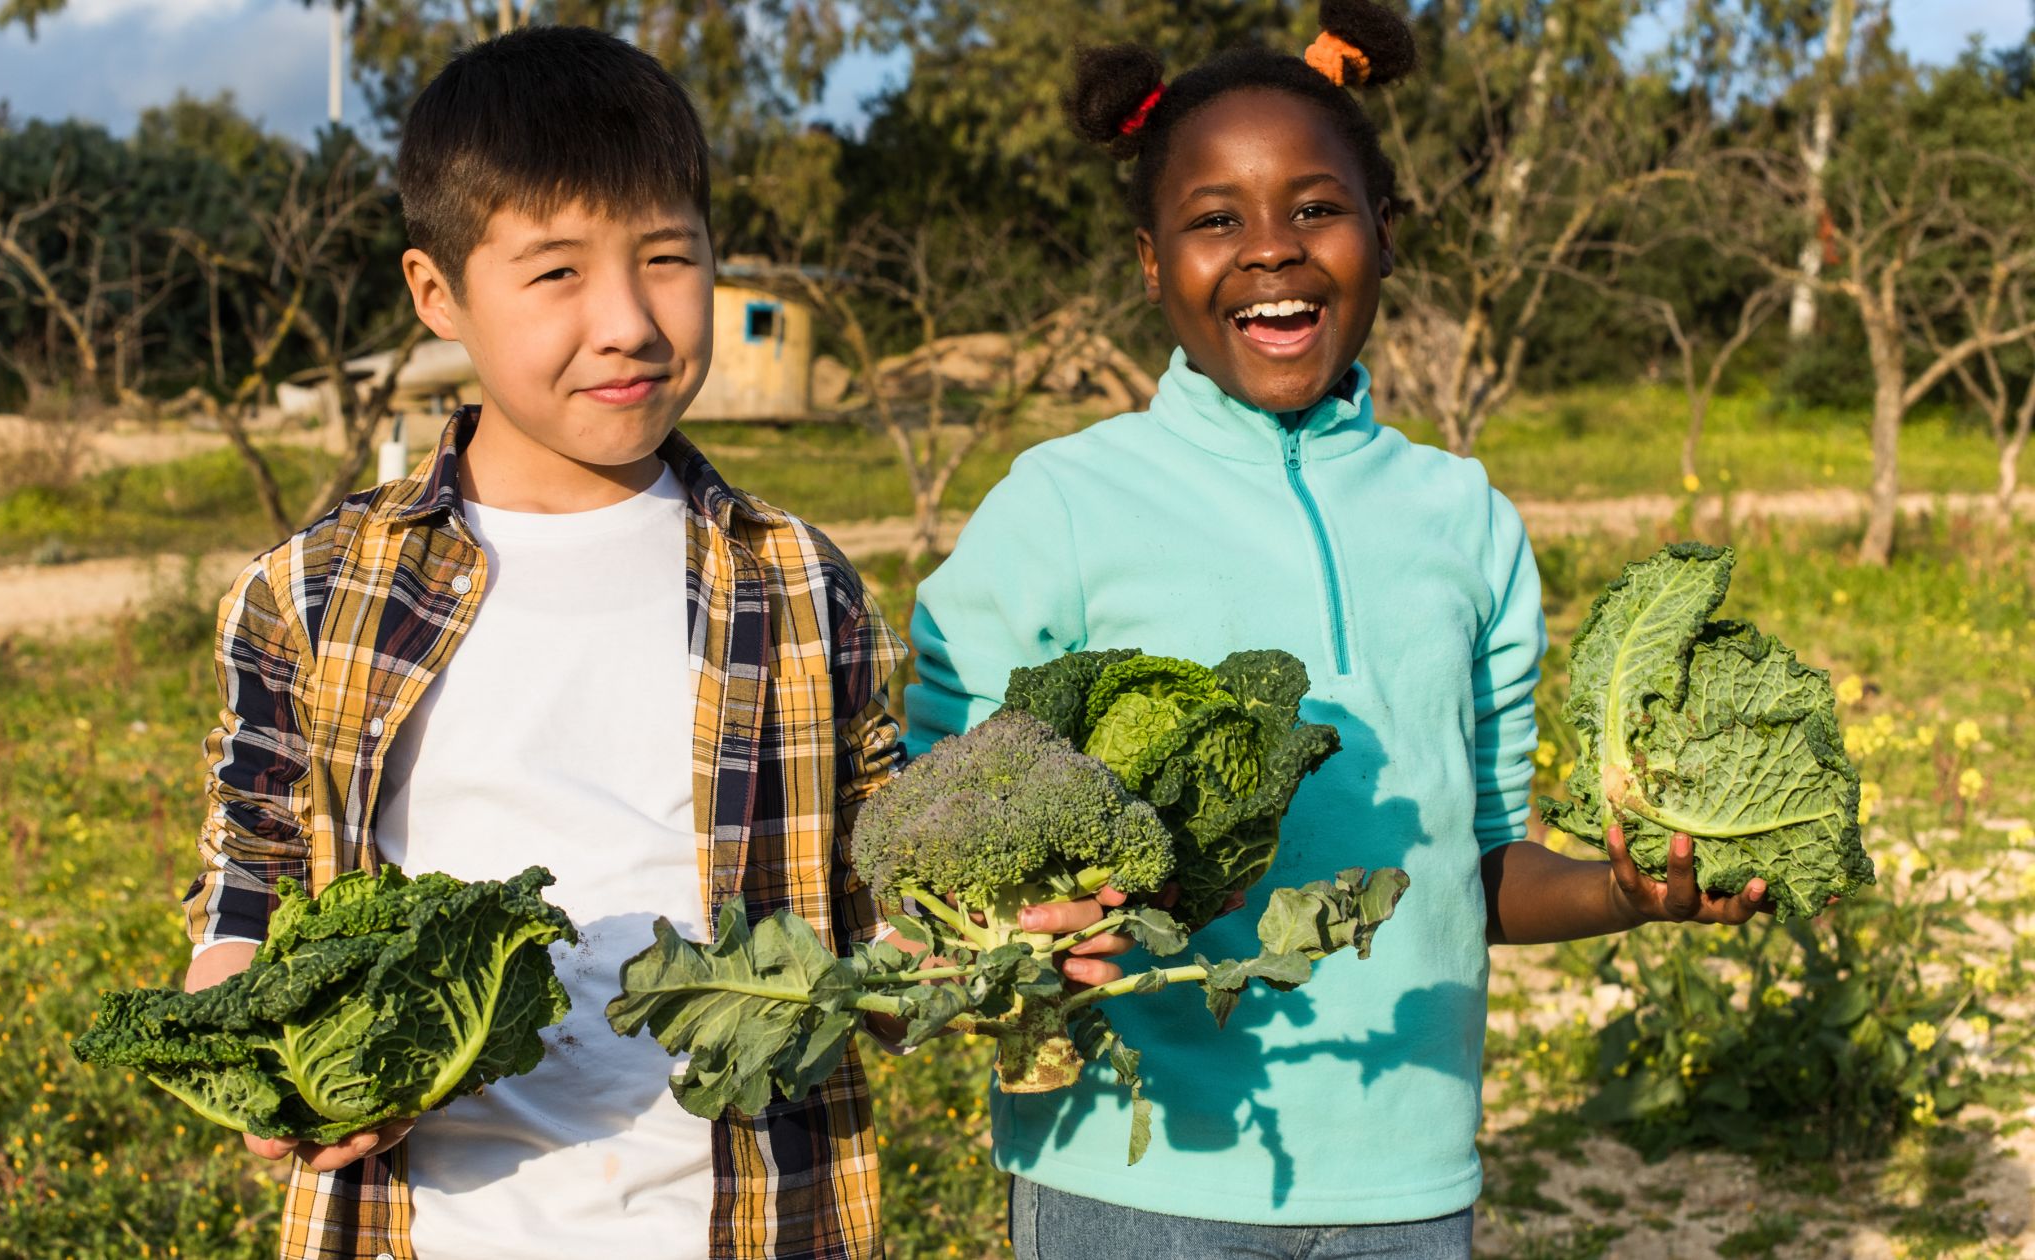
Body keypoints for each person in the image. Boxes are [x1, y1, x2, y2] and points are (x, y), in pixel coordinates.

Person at [903, 3, 1779, 1256]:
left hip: (1407, 1177)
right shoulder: (1061, 504)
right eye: (1216, 220)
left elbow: (1479, 866)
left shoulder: (1466, 519)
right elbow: (934, 815)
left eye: (1315, 208)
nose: (1272, 252)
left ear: (1386, 233)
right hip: (1130, 1174)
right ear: (1151, 264)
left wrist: (1622, 892)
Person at [175, 26, 917, 1259]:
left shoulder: (797, 581)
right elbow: (249, 874)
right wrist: (260, 1046)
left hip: (750, 1217)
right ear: (437, 293)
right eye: (557, 272)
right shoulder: (312, 590)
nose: (626, 320)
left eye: (668, 258)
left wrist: (984, 940)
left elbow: (876, 894)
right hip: (421, 1223)